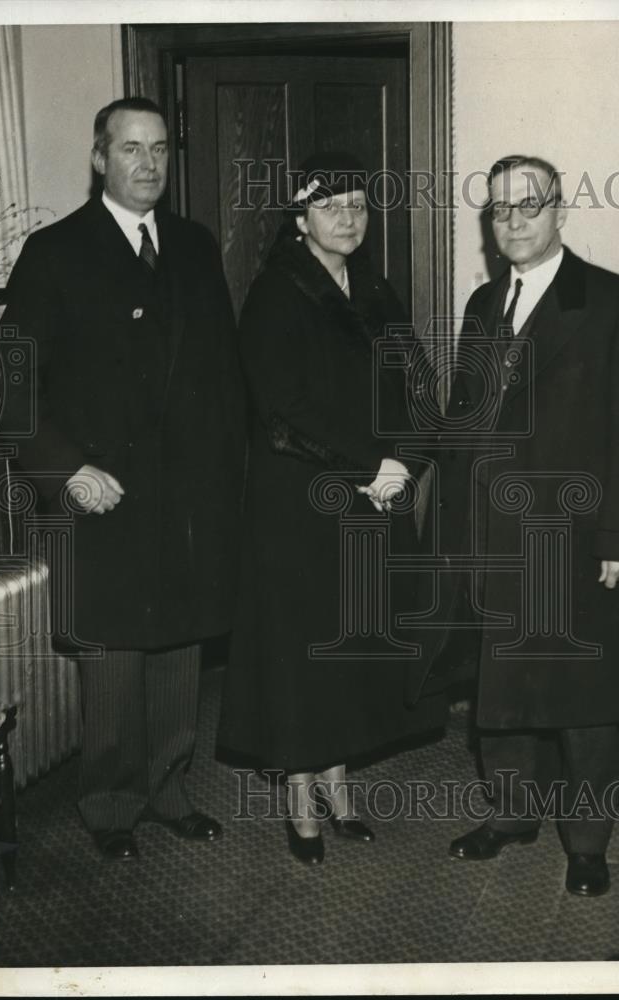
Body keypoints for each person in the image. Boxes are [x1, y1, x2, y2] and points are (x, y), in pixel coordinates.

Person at [0, 97, 246, 861]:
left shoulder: (197, 247)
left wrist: (228, 479)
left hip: (185, 495)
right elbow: (9, 389)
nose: (148, 164)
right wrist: (66, 470)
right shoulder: (55, 251)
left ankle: (169, 789)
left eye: (161, 149)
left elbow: (223, 376)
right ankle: (110, 808)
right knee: (110, 656)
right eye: (131, 149)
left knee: (175, 647)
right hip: (96, 492)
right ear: (100, 158)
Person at [428, 155, 619, 895]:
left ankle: (589, 843)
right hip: (494, 542)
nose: (514, 220)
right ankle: (510, 814)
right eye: (500, 209)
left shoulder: (613, 302)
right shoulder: (480, 307)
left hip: (575, 541)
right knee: (502, 698)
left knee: (582, 703)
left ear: (561, 212)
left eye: (529, 205)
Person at [217, 152, 447, 865]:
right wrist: (368, 462)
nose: (348, 217)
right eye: (330, 205)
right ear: (298, 217)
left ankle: (340, 785)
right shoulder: (276, 294)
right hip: (301, 504)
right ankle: (298, 796)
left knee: (351, 646)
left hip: (374, 498)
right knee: (302, 653)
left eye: (357, 204)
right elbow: (283, 410)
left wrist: (405, 459)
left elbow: (419, 388)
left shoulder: (373, 290)